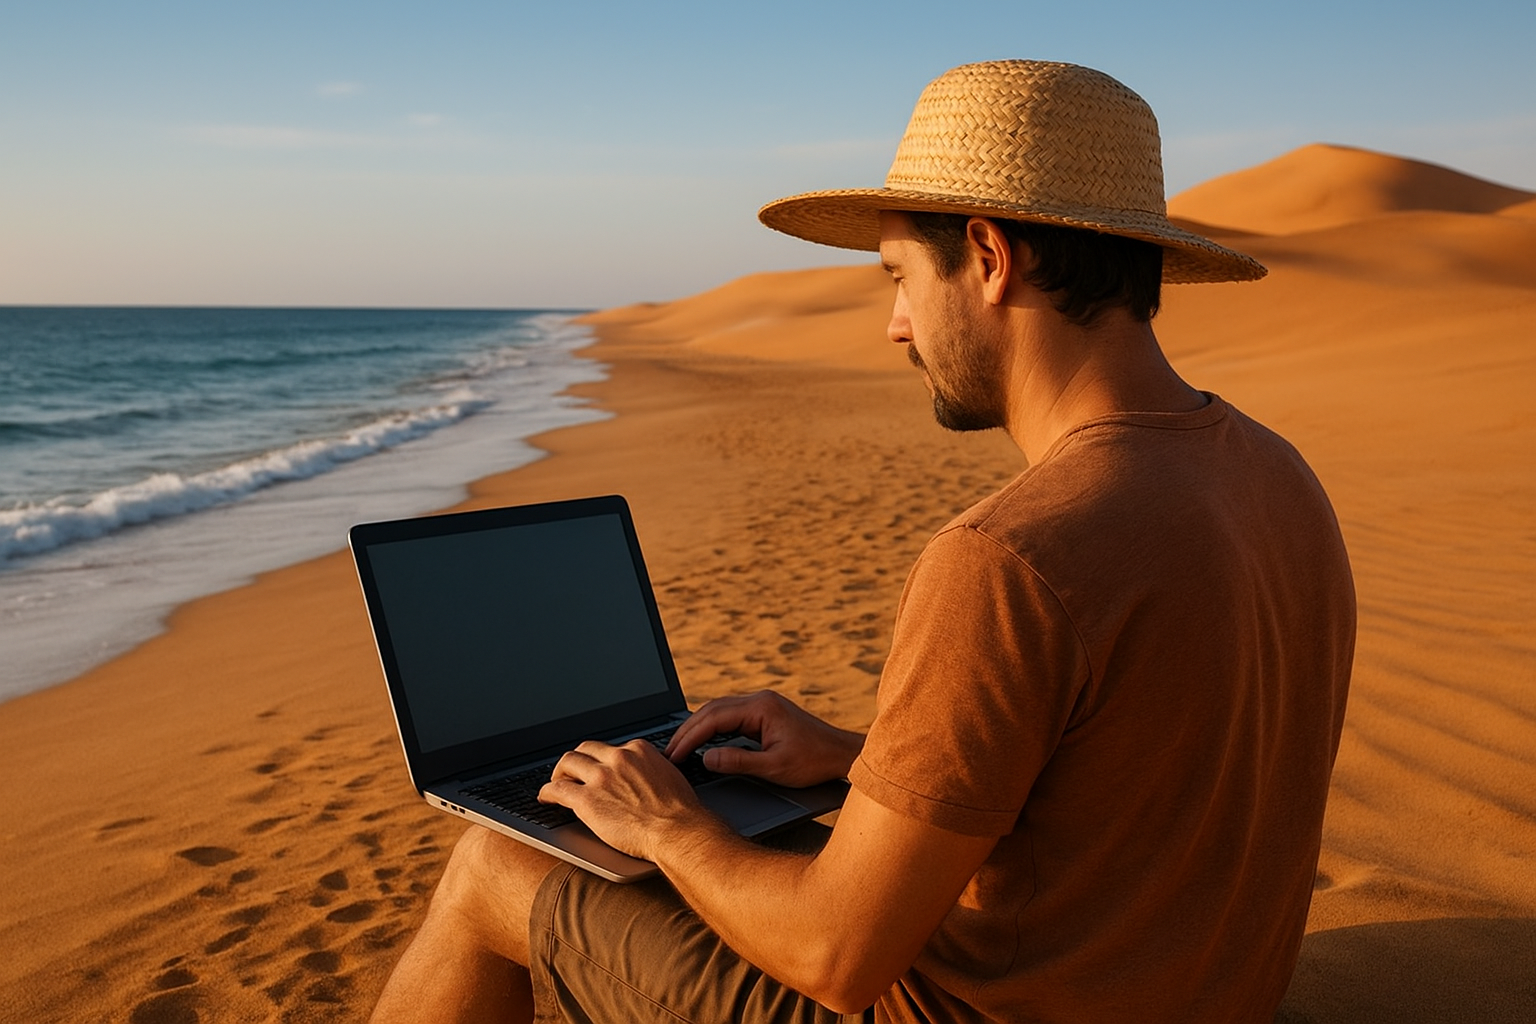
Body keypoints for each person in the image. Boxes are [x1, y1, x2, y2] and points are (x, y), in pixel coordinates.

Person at [370, 59, 1355, 1024]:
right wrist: (856, 756)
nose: (895, 324)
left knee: (495, 864)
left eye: (899, 278)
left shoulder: (1011, 558)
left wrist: (662, 822)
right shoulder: (1277, 477)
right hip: (1200, 991)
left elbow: (836, 960)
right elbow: (1127, 783)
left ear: (987, 257)